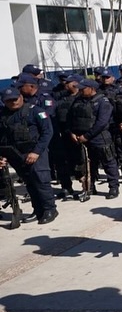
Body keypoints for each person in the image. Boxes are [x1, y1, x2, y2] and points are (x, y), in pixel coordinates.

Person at [0, 87, 57, 224]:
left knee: (41, 181)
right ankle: (37, 209)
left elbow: (47, 132)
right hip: (16, 154)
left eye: (15, 99)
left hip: (35, 152)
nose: (13, 103)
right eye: (9, 101)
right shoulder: (3, 115)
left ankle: (50, 209)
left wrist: (36, 152)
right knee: (30, 183)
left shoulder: (36, 111)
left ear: (20, 97)